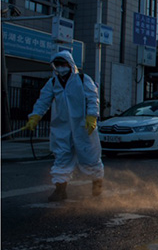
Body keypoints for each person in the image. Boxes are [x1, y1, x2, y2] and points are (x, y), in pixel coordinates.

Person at [24, 51, 104, 201]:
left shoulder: (82, 79)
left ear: (70, 64)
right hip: (62, 126)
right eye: (57, 65)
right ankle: (60, 190)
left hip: (83, 125)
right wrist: (35, 116)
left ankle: (97, 184)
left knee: (90, 155)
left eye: (63, 64)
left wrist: (92, 116)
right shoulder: (53, 83)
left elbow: (93, 98)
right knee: (61, 156)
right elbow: (43, 101)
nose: (60, 68)